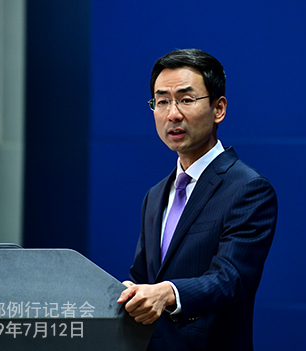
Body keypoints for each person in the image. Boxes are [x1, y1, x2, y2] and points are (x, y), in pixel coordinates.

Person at [117, 49, 278, 351]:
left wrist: (167, 293)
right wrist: (129, 293)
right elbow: (142, 278)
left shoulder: (248, 188)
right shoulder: (155, 195)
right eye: (162, 101)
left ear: (219, 109)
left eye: (186, 100)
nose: (172, 113)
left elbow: (230, 280)